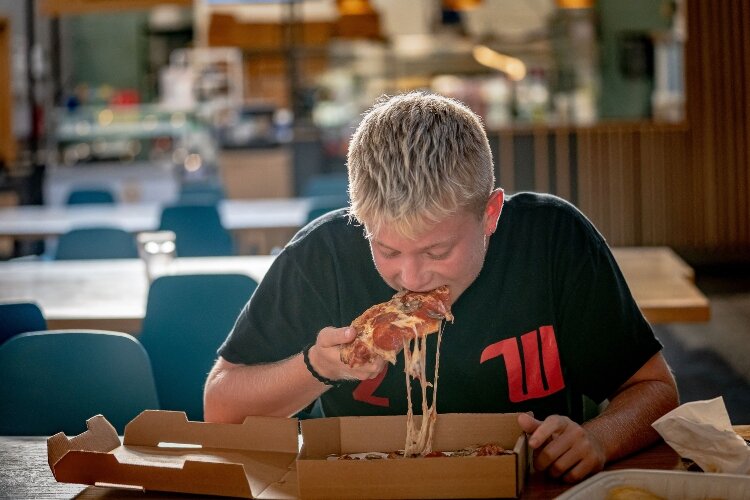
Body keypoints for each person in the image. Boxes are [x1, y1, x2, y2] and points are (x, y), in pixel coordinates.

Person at [204, 92, 679, 483]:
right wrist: (317, 366)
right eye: (387, 250)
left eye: (436, 253)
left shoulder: (553, 239)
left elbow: (655, 387)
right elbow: (220, 407)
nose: (410, 279)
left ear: (490, 214)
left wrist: (599, 436)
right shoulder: (323, 254)